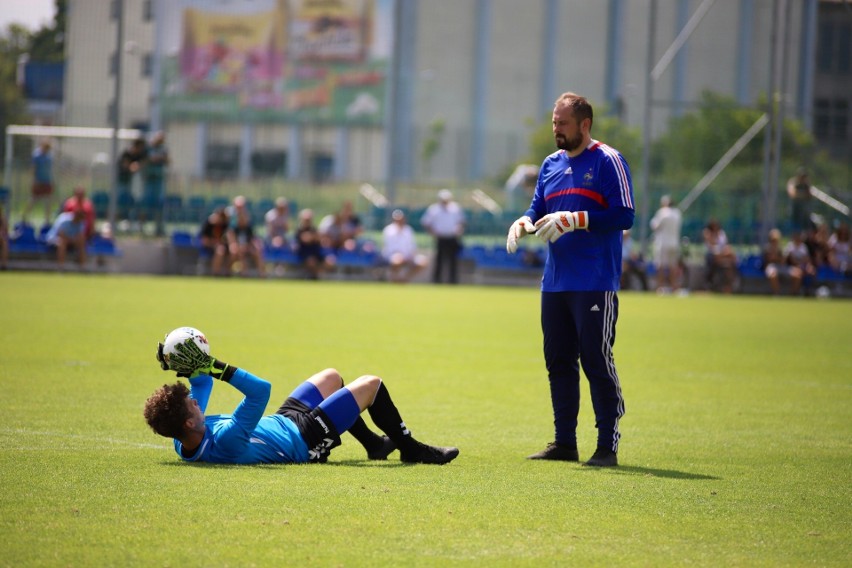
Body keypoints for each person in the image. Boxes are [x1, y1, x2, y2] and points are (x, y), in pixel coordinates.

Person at [505, 92, 635, 467]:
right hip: (555, 282)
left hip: (594, 279)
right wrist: (524, 221)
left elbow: (624, 215)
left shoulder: (608, 160)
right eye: (553, 123)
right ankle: (564, 443)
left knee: (596, 359)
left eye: (562, 123)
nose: (556, 130)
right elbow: (538, 208)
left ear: (585, 124)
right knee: (559, 361)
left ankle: (606, 446)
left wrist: (578, 218)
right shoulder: (550, 164)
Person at [144, 333, 459, 465]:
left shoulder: (182, 438)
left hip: (283, 423)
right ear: (188, 420)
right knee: (372, 385)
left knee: (332, 376)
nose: (198, 402)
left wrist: (180, 362)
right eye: (192, 405)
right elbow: (260, 390)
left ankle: (374, 445)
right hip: (303, 440)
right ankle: (411, 449)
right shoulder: (225, 441)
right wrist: (215, 367)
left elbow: (199, 386)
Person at [420, 189, 465, 284]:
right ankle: (437, 280)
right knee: (439, 260)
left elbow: (461, 222)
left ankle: (453, 281)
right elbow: (426, 222)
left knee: (453, 260)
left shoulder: (455, 208)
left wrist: (459, 230)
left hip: (452, 237)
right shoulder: (434, 209)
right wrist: (432, 232)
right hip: (440, 238)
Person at [381, 209, 427, 283]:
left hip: (408, 256)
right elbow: (389, 247)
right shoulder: (388, 230)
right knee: (397, 260)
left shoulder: (408, 230)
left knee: (422, 261)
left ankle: (405, 278)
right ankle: (395, 279)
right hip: (393, 255)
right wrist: (399, 255)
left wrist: (410, 256)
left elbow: (412, 246)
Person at [649, 195, 683, 293]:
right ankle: (674, 287)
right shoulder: (677, 213)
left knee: (660, 266)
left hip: (662, 243)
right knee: (673, 266)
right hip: (674, 243)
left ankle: (660, 287)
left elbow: (654, 226)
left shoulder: (662, 212)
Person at [226, 195, 266, 278]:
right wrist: (235, 245)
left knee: (257, 251)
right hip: (233, 245)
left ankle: (262, 275)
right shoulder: (229, 218)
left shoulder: (248, 226)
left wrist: (249, 246)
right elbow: (230, 235)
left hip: (246, 246)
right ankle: (229, 273)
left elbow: (252, 238)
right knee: (237, 252)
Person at [23, 139, 55, 226]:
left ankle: (47, 221)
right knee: (32, 200)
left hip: (47, 181)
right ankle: (24, 218)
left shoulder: (49, 156)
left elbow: (50, 170)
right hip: (38, 181)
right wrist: (34, 181)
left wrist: (51, 181)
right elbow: (33, 168)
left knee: (48, 201)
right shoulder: (36, 155)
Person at [295, 208, 334, 279]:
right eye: (306, 219)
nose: (308, 221)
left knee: (330, 261)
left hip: (317, 252)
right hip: (305, 253)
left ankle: (319, 274)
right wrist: (313, 237)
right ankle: (315, 276)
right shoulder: (299, 229)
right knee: (311, 262)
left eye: (309, 219)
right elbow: (305, 239)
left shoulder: (314, 229)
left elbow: (319, 239)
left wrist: (314, 237)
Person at [143, 131, 169, 236]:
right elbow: (148, 159)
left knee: (159, 205)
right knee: (145, 204)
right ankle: (142, 228)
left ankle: (159, 228)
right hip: (149, 180)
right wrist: (158, 159)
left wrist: (160, 158)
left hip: (159, 181)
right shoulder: (149, 148)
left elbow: (167, 160)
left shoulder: (163, 149)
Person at [702, 219, 738, 293]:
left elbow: (725, 245)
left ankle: (728, 286)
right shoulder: (707, 233)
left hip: (722, 254)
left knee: (730, 261)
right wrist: (714, 235)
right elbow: (712, 245)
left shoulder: (722, 233)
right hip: (711, 255)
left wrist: (724, 252)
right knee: (717, 257)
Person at [117, 138, 147, 225]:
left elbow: (143, 162)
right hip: (122, 182)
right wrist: (132, 167)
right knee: (119, 202)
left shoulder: (140, 155)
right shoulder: (126, 154)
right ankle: (117, 222)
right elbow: (126, 166)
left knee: (134, 203)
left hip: (133, 184)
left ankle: (133, 222)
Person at [762, 228, 801, 295]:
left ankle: (793, 294)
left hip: (783, 267)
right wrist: (777, 257)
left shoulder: (782, 248)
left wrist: (780, 257)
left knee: (798, 274)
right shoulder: (767, 248)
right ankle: (777, 293)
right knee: (773, 275)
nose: (775, 242)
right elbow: (769, 260)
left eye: (776, 240)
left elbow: (783, 261)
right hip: (772, 266)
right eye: (773, 240)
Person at [199, 207, 231, 276]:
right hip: (209, 247)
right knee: (220, 250)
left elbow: (226, 238)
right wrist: (214, 244)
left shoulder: (224, 224)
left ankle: (227, 272)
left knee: (233, 252)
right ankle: (216, 273)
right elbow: (204, 241)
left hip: (221, 246)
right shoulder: (208, 224)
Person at [0, 203, 8, 270]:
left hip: (1, 237)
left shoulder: (2, 218)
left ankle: (3, 265)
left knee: (4, 243)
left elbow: (5, 229)